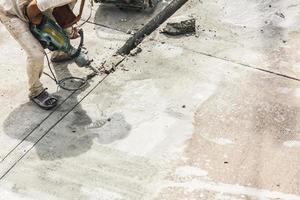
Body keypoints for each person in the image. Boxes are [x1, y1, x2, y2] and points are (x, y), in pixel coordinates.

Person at [0, 0, 78, 110]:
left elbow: (62, 12)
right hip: (11, 12)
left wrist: (68, 31)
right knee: (36, 54)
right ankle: (35, 90)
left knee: (56, 32)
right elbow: (32, 11)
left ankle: (59, 53)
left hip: (34, 5)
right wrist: (45, 32)